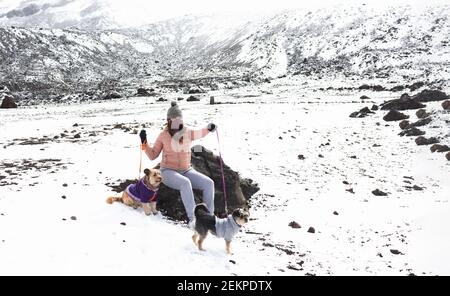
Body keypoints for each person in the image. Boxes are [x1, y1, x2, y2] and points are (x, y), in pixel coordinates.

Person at [139, 101, 217, 227]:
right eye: (174, 119)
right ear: (169, 120)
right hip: (167, 171)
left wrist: (209, 128)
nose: (177, 122)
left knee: (209, 183)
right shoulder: (163, 135)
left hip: (187, 170)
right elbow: (152, 155)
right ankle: (193, 220)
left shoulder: (187, 132)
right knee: (185, 183)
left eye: (179, 119)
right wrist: (144, 142)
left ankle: (209, 217)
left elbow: (201, 132)